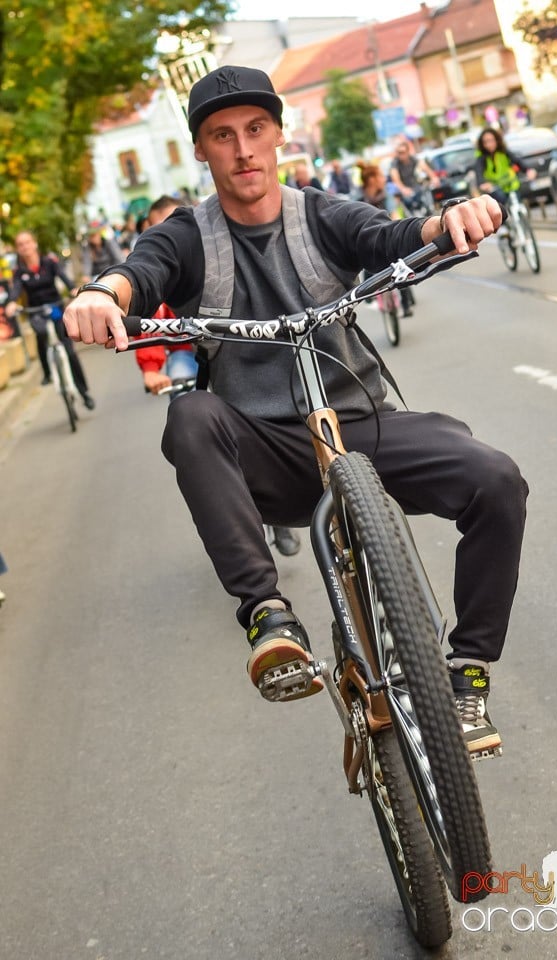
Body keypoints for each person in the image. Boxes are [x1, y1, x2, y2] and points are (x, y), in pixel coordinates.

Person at [64, 64, 528, 755]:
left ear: (279, 135)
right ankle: (270, 618)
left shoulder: (322, 214)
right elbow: (140, 270)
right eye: (223, 136)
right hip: (267, 451)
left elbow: (392, 237)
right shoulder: (189, 236)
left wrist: (450, 218)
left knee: (497, 479)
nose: (243, 150)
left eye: (256, 130)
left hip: (362, 425)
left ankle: (467, 673)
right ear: (200, 149)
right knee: (190, 416)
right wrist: (104, 293)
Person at [136, 194, 302, 559]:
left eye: (178, 224)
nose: (171, 234)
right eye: (161, 228)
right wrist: (151, 369)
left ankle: (278, 516)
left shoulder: (219, 257)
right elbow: (147, 326)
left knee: (261, 419)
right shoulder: (158, 270)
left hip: (234, 351)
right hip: (186, 356)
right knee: (189, 414)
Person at [5, 231, 95, 408]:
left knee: (69, 352)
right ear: (18, 249)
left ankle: (84, 393)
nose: (25, 247)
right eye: (20, 244)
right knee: (40, 333)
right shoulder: (19, 271)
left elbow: (64, 278)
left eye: (27, 242)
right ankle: (47, 372)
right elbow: (15, 289)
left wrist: (73, 290)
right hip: (36, 310)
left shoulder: (49, 263)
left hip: (55, 306)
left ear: (34, 243)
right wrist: (12, 302)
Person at [357, 162, 414, 318]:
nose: (384, 179)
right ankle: (367, 294)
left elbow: (394, 214)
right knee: (367, 260)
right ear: (372, 180)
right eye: (381, 176)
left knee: (401, 265)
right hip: (371, 240)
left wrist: (396, 225)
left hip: (388, 236)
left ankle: (406, 303)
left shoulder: (386, 195)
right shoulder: (359, 199)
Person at [474, 127, 536, 209]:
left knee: (519, 202)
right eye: (486, 142)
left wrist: (528, 170)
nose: (489, 144)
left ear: (497, 140)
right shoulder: (481, 158)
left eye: (491, 140)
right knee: (501, 206)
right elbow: (479, 172)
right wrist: (482, 183)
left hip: (511, 184)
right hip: (496, 188)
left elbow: (517, 161)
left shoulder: (504, 152)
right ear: (482, 144)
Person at [389, 140, 440, 215]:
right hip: (405, 191)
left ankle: (432, 212)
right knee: (408, 210)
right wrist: (403, 189)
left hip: (416, 188)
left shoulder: (413, 159)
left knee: (428, 197)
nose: (400, 155)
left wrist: (434, 177)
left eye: (402, 152)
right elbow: (395, 177)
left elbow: (424, 166)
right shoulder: (395, 163)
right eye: (398, 153)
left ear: (407, 151)